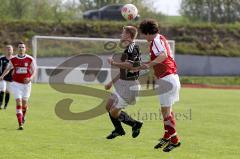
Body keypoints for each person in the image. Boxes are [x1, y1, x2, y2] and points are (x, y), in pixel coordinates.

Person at [138, 19, 181, 152]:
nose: (143, 37)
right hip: (171, 77)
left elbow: (163, 55)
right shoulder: (161, 38)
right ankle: (167, 136)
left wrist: (148, 65)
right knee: (166, 110)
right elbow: (161, 56)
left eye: (143, 34)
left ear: (148, 33)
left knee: (166, 112)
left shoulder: (156, 40)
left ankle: (175, 140)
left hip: (167, 79)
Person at [105, 26, 143, 139]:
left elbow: (130, 65)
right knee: (108, 106)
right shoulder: (128, 49)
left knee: (113, 112)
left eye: (123, 33)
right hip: (123, 84)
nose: (121, 35)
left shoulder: (132, 48)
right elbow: (124, 70)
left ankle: (135, 124)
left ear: (128, 35)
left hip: (130, 86)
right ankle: (118, 129)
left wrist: (113, 63)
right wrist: (112, 82)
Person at [0, 41, 37, 130]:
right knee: (18, 102)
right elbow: (8, 68)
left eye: (23, 47)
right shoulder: (13, 59)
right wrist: (2, 76)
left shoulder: (30, 59)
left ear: (25, 49)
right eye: (20, 47)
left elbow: (34, 70)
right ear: (17, 49)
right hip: (16, 84)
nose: (21, 49)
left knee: (24, 104)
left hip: (26, 85)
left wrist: (30, 78)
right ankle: (20, 124)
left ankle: (23, 116)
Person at [0, 43, 14, 109]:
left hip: (11, 78)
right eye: (7, 49)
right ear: (5, 50)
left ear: (12, 50)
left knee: (8, 91)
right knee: (2, 89)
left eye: (10, 49)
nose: (9, 50)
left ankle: (5, 105)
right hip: (2, 77)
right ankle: (0, 104)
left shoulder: (15, 59)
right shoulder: (1, 58)